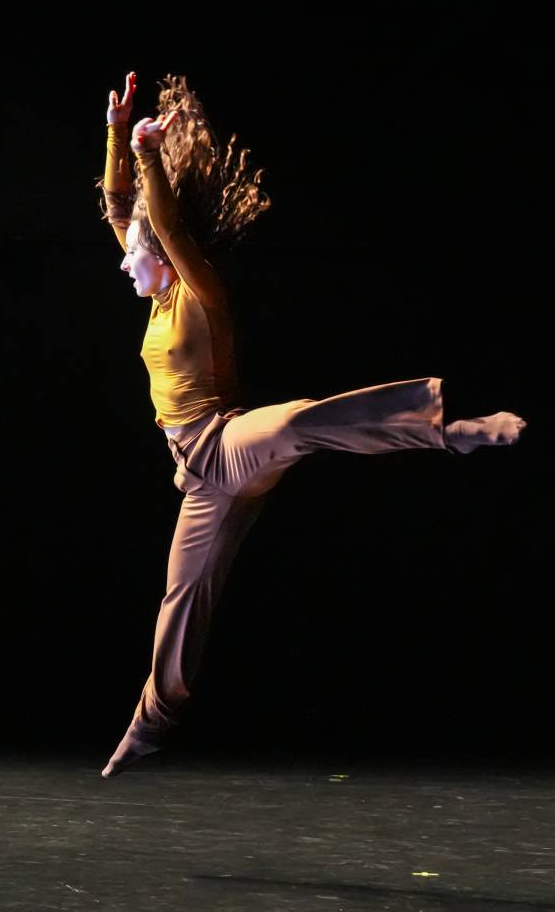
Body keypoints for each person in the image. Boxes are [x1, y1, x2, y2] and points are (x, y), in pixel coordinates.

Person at [98, 72, 525, 778]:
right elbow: (123, 209)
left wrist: (146, 152)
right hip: (199, 477)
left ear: (166, 260)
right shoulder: (153, 288)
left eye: (133, 253)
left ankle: (447, 430)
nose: (122, 261)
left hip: (227, 440)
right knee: (183, 597)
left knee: (295, 423)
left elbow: (163, 226)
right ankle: (152, 722)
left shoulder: (200, 291)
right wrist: (116, 132)